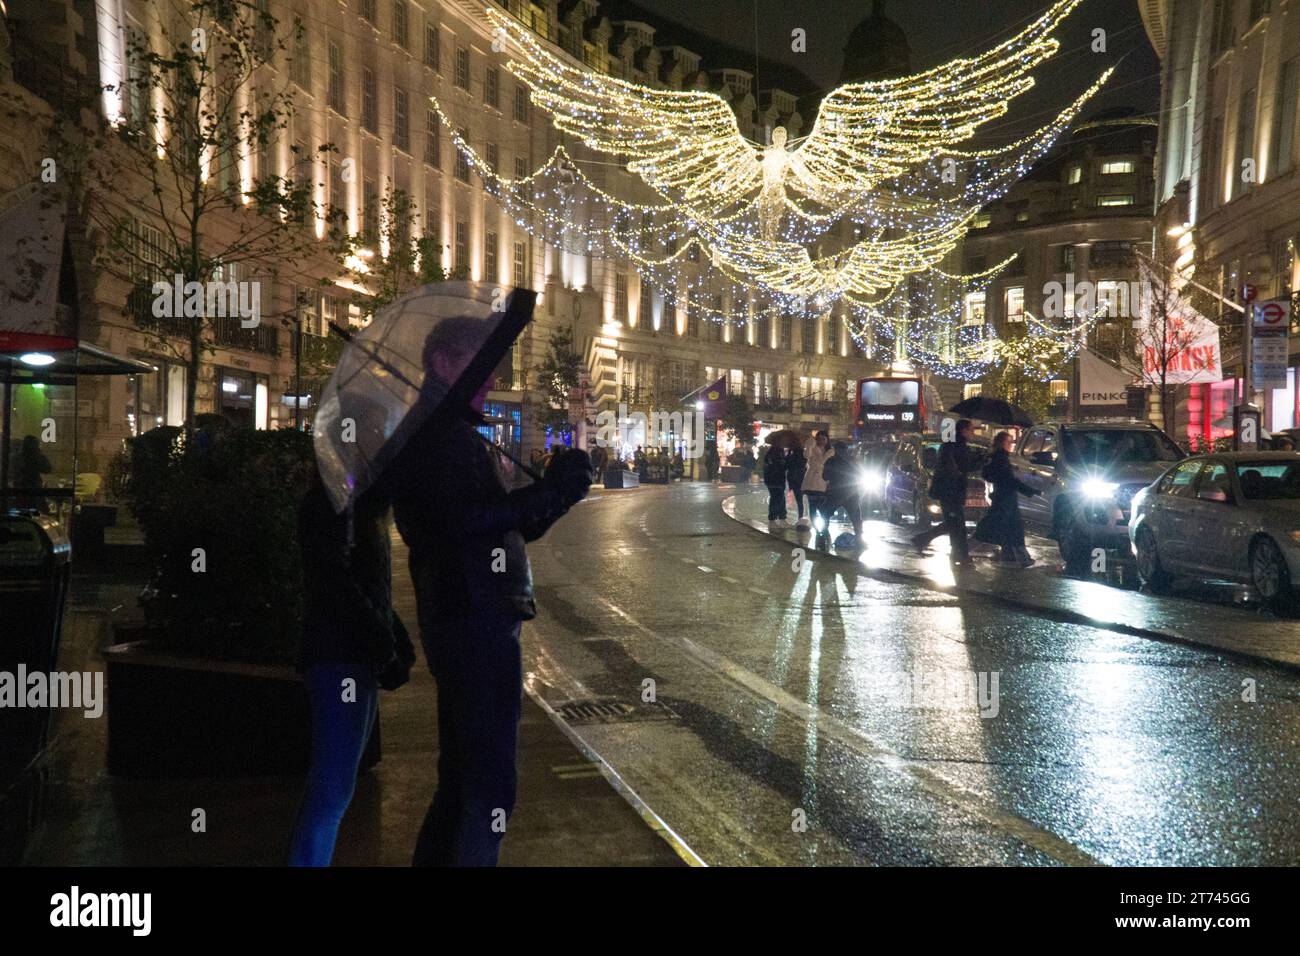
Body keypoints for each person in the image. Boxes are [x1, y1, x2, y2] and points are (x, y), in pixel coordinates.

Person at [381, 316, 593, 866]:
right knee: (487, 785)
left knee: (465, 780)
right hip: (471, 619)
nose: (492, 382)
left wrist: (555, 494)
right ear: (447, 363)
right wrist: (549, 494)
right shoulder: (435, 434)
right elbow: (465, 521)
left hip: (472, 615)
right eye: (484, 367)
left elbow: (502, 526)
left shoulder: (445, 428)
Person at [288, 474, 415, 867]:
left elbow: (365, 583)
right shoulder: (332, 502)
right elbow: (334, 584)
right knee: (332, 789)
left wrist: (392, 636)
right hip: (339, 658)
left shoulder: (360, 502)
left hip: (354, 656)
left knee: (336, 788)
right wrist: (382, 641)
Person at [912, 419, 981, 563]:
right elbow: (964, 465)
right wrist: (982, 460)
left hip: (948, 490)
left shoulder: (951, 444)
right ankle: (959, 554)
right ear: (963, 430)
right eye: (971, 430)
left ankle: (956, 553)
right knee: (956, 524)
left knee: (954, 523)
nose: (973, 433)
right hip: (951, 490)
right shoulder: (958, 445)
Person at [974, 430, 1040, 568]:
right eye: (1010, 442)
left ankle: (1014, 558)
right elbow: (1009, 480)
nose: (1011, 445)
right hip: (1006, 498)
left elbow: (989, 475)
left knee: (1008, 527)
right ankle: (1017, 558)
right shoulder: (1001, 458)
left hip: (1002, 496)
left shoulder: (994, 457)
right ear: (1003, 443)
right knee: (1000, 527)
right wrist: (1029, 490)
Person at [822, 439, 864, 546]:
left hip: (834, 492)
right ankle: (859, 536)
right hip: (850, 493)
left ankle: (823, 533)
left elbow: (825, 476)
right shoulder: (852, 460)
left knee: (826, 513)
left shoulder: (831, 461)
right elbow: (860, 475)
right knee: (855, 516)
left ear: (835, 450)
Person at [802, 431, 833, 541]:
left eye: (823, 439)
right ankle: (817, 530)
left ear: (827, 440)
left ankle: (824, 530)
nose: (821, 441)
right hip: (812, 482)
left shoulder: (831, 451)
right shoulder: (813, 448)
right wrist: (810, 444)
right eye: (819, 439)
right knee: (813, 508)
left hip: (824, 482)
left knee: (824, 510)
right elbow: (806, 455)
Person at [13, 434, 51, 511]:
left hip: (22, 490)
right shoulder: (33, 457)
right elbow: (47, 468)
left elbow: (47, 468)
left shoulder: (17, 457)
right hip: (31, 489)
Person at [763, 446, 788, 524]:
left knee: (780, 498)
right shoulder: (776, 455)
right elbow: (781, 466)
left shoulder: (770, 455)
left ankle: (780, 517)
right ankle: (773, 517)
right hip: (776, 480)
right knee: (777, 498)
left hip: (774, 480)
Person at [786, 444, 808, 527]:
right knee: (802, 500)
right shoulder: (803, 457)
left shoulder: (792, 457)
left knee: (799, 500)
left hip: (795, 481)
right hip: (801, 480)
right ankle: (802, 516)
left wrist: (789, 452)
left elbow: (787, 465)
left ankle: (801, 517)